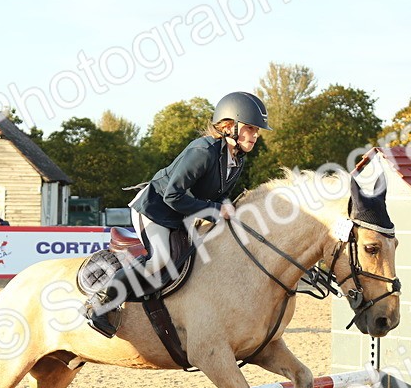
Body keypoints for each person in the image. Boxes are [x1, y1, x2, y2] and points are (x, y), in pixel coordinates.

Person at [85, 91, 271, 337]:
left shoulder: (237, 160)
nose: (255, 135)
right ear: (229, 127)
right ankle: (101, 301)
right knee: (160, 260)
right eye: (250, 127)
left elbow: (215, 197)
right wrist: (217, 210)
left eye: (257, 130)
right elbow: (173, 196)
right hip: (154, 209)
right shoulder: (203, 151)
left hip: (183, 215)